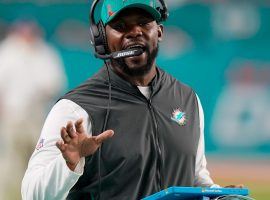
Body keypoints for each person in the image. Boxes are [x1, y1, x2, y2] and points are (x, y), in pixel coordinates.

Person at [22, 0, 229, 199]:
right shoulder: (76, 109)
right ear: (101, 38)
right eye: (120, 26)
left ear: (159, 32)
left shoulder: (187, 99)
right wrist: (68, 164)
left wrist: (217, 195)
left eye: (143, 23)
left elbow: (196, 178)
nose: (135, 32)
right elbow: (32, 194)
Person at [0, 19, 66, 199]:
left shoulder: (46, 53)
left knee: (38, 159)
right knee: (11, 162)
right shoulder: (7, 52)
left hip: (38, 115)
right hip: (13, 116)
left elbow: (55, 84)